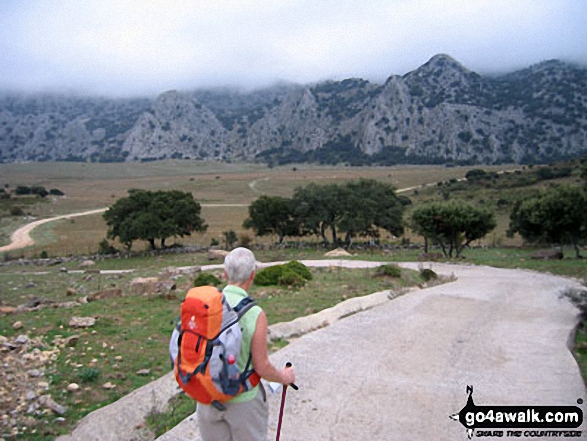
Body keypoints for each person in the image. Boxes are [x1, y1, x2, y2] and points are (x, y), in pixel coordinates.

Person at [196, 247, 296, 441]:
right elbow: (262, 367)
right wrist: (283, 377)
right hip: (243, 401)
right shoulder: (254, 314)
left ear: (225, 274)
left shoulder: (205, 305)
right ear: (252, 275)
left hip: (207, 398)